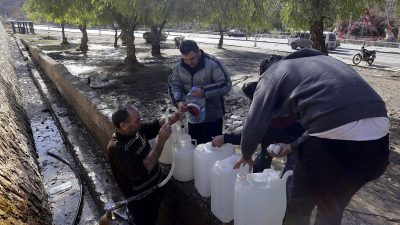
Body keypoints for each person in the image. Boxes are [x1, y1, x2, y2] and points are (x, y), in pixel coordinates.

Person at [235, 48, 390, 225]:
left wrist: (246, 154)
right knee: (332, 206)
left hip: (334, 145)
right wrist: (292, 146)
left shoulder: (273, 73)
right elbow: (333, 118)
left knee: (298, 208)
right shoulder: (325, 64)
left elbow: (255, 121)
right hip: (377, 148)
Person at [106, 106, 181, 225]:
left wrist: (171, 119)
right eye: (137, 120)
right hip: (142, 201)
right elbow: (144, 169)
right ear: (123, 125)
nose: (141, 122)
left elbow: (153, 127)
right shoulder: (117, 149)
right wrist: (160, 141)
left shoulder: (135, 130)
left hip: (155, 190)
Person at [212, 79, 303, 173]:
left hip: (296, 141)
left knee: (291, 173)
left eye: (250, 100)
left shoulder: (275, 109)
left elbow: (251, 134)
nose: (249, 103)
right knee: (261, 164)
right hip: (270, 140)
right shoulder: (266, 103)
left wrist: (225, 138)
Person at [169, 40, 232, 144]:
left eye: (192, 58)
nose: (189, 62)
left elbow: (226, 84)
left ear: (198, 51)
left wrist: (204, 91)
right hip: (192, 116)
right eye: (185, 59)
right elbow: (174, 85)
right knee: (195, 146)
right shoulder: (179, 66)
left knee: (213, 148)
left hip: (213, 117)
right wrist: (179, 101)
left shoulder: (212, 63)